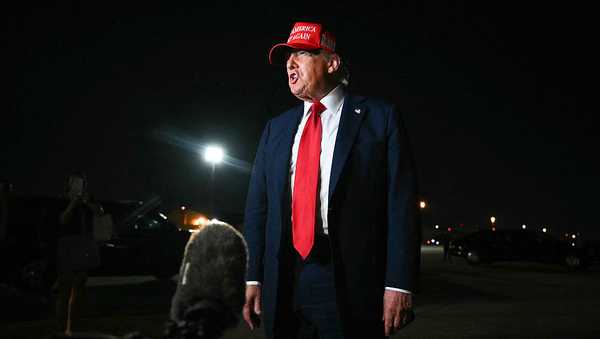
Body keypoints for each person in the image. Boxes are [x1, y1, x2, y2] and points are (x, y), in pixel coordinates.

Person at [242, 21, 419, 339]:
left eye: (301, 54)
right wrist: (253, 276)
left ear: (332, 62)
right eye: (287, 57)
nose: (290, 62)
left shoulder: (380, 118)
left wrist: (399, 282)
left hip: (349, 281)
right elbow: (258, 208)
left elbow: (401, 206)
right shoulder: (275, 129)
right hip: (285, 278)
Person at [54, 172, 104, 335]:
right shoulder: (61, 201)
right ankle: (62, 327)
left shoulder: (87, 200)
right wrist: (72, 203)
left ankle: (73, 326)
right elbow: (62, 220)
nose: (77, 187)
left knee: (79, 286)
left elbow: (100, 213)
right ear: (68, 187)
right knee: (65, 287)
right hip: (68, 244)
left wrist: (86, 202)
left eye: (80, 184)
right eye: (74, 184)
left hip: (84, 244)